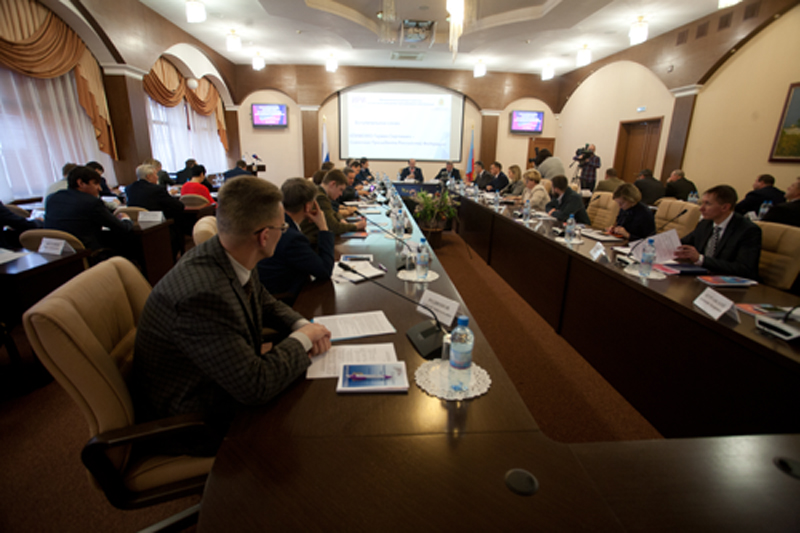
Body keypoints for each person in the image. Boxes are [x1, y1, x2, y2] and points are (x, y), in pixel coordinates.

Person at [131, 176, 332, 456]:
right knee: (316, 430)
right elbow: (256, 386)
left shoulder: (229, 251)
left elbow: (264, 301)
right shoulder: (202, 296)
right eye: (282, 227)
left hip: (220, 380)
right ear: (264, 236)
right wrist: (303, 339)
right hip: (196, 422)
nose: (284, 231)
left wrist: (301, 325)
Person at [257, 178, 335, 303]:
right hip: (286, 299)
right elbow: (325, 271)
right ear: (308, 206)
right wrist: (323, 227)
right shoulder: (291, 237)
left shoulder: (276, 222)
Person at [675, 185, 761, 279]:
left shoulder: (748, 230)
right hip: (702, 276)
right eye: (701, 203)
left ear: (725, 207)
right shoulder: (705, 224)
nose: (701, 208)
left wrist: (700, 259)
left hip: (730, 282)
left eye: (707, 204)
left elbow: (744, 269)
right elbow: (683, 243)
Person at [44, 166, 133, 250]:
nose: (100, 189)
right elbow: (121, 228)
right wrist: (125, 219)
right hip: (85, 251)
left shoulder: (52, 198)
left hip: (57, 252)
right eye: (95, 183)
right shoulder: (91, 202)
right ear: (80, 183)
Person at [126, 164, 187, 257]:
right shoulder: (157, 189)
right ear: (149, 176)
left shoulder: (129, 188)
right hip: (157, 226)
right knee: (178, 219)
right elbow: (178, 206)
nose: (157, 177)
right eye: (155, 174)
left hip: (137, 226)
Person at [301, 169, 366, 247]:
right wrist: (356, 226)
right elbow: (334, 227)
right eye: (340, 189)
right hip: (311, 244)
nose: (341, 194)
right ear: (333, 184)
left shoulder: (320, 192)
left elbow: (333, 212)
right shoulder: (320, 197)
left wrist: (340, 219)